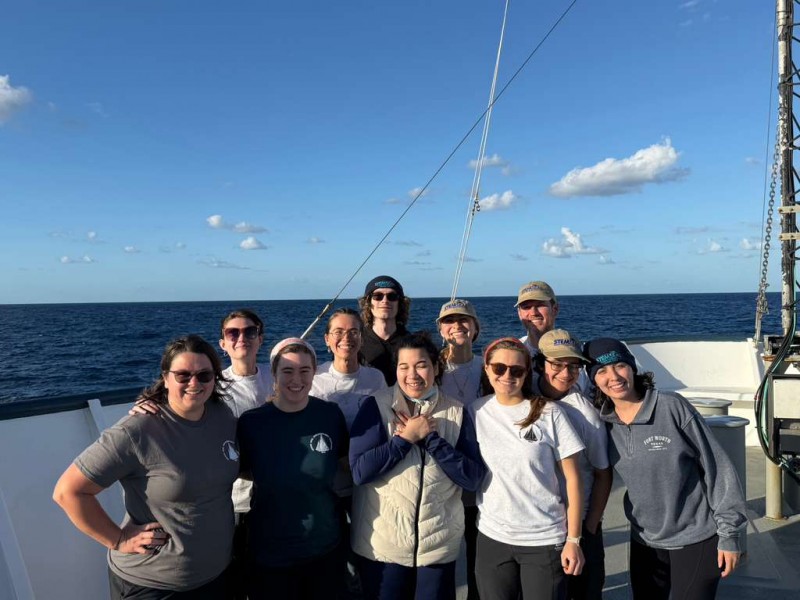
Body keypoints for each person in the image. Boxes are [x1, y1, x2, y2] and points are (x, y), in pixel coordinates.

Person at [53, 335, 239, 599]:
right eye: (183, 375)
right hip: (153, 585)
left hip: (217, 577)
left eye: (204, 375)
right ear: (166, 377)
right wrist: (118, 539)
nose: (194, 383)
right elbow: (68, 492)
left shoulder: (222, 417)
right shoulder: (137, 431)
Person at [583, 338, 746, 600]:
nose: (613, 376)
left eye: (620, 365)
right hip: (645, 542)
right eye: (601, 371)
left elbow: (717, 467)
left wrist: (730, 534)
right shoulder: (603, 423)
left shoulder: (671, 406)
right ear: (593, 380)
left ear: (632, 368)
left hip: (696, 537)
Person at [349, 333, 486, 600]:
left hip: (437, 548)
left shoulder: (456, 411)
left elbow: (473, 478)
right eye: (404, 367)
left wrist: (432, 441)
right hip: (383, 547)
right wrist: (404, 439)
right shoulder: (376, 406)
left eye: (421, 365)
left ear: (436, 367)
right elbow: (360, 472)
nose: (413, 374)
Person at [472, 337, 585, 600]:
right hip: (492, 537)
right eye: (499, 368)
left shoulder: (549, 413)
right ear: (487, 368)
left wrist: (574, 540)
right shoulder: (475, 412)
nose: (507, 375)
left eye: (517, 370)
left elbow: (574, 480)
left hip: (543, 539)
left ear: (527, 373)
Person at [238, 337, 349, 600]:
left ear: (314, 373)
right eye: (287, 371)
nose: (296, 379)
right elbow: (242, 470)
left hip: (325, 547)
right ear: (274, 375)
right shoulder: (252, 423)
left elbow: (346, 463)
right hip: (271, 553)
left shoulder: (330, 415)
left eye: (304, 370)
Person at [532, 330, 612, 600]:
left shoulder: (585, 414)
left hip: (581, 524)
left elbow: (603, 473)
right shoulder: (525, 400)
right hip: (540, 526)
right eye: (556, 364)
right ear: (539, 363)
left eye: (573, 366)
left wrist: (589, 527)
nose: (565, 373)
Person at [436, 298, 484, 600]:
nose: (458, 326)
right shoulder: (431, 369)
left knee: (480, 551)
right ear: (441, 329)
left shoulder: (491, 366)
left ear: (476, 327)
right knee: (443, 553)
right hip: (442, 472)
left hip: (482, 471)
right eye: (450, 321)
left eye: (464, 320)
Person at [312, 307, 388, 430]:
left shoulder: (376, 378)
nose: (346, 338)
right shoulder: (314, 377)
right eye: (338, 332)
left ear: (361, 339)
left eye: (353, 332)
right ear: (327, 339)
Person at [514, 280, 591, 394]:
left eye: (540, 305)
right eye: (526, 307)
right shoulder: (514, 353)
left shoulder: (579, 352)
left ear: (555, 309)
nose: (533, 312)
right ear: (519, 313)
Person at [358, 275, 411, 385]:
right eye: (378, 296)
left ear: (400, 303)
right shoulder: (356, 342)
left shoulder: (411, 343)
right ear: (368, 302)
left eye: (392, 296)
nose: (385, 301)